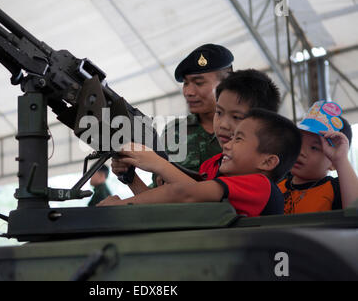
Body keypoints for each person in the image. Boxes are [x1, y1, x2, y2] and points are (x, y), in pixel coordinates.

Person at [99, 109, 302, 218]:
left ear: (267, 161)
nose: (227, 146)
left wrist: (119, 207)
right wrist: (131, 178)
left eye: (238, 139)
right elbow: (163, 211)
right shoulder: (220, 182)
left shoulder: (261, 185)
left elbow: (183, 193)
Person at [111, 69, 281, 194]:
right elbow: (168, 206)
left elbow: (195, 198)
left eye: (236, 117)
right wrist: (130, 178)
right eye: (219, 113)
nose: (223, 124)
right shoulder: (214, 164)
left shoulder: (261, 179)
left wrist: (160, 165)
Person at [112, 44, 234, 192]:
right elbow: (160, 202)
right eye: (186, 83)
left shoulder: (247, 129)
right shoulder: (174, 132)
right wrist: (129, 176)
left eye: (199, 83)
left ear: (227, 83)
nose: (188, 92)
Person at [278, 114, 358, 214]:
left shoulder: (337, 189)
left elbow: (354, 211)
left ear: (333, 163)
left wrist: (340, 159)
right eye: (299, 142)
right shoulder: (276, 187)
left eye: (314, 147)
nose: (301, 151)